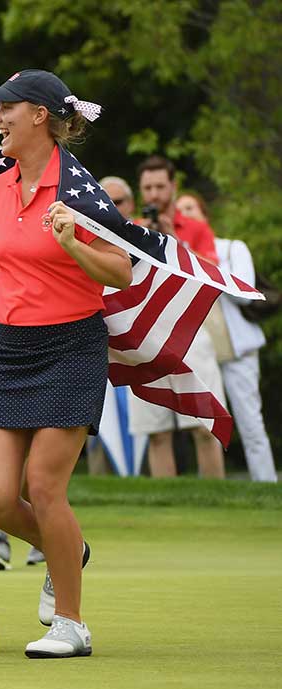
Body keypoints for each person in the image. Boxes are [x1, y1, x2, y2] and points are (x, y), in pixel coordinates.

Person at [0, 69, 132, 658]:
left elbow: (122, 272)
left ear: (38, 115)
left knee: (43, 484)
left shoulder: (80, 191)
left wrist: (73, 244)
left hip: (70, 346)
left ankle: (71, 621)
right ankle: (69, 548)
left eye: (5, 109)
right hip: (8, 348)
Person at [127, 156, 226, 479]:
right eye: (147, 188)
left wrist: (176, 240)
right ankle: (164, 503)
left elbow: (214, 275)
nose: (153, 194)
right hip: (145, 334)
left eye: (159, 187)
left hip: (189, 331)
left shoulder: (196, 228)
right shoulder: (133, 231)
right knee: (156, 432)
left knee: (203, 426)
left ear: (173, 187)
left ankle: (215, 503)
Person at [176, 192, 277, 483]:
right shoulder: (176, 255)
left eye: (191, 208)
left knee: (250, 422)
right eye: (180, 211)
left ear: (204, 214)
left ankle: (265, 484)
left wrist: (200, 260)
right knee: (204, 426)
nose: (186, 215)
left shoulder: (231, 248)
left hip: (237, 352)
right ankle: (213, 487)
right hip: (198, 353)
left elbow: (243, 292)